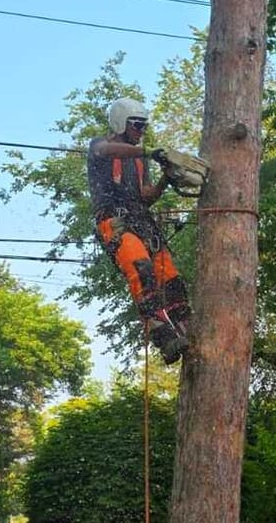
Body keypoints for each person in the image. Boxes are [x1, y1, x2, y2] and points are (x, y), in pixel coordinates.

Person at [87, 97, 191, 364]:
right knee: (141, 268)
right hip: (115, 220)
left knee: (171, 278)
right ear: (121, 122)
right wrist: (146, 151)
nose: (141, 130)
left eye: (144, 125)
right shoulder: (100, 145)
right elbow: (106, 151)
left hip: (142, 219)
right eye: (136, 124)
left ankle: (187, 329)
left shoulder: (138, 161)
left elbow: (146, 196)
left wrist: (166, 177)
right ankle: (161, 334)